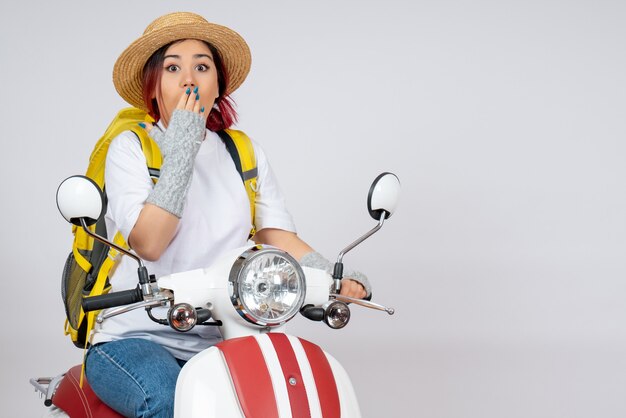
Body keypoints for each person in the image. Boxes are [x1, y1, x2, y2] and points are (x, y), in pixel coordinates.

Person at [84, 11, 371, 418]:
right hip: (136, 337)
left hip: (225, 333)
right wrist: (182, 141)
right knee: (168, 402)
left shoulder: (242, 152)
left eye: (202, 66)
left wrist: (331, 276)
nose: (189, 79)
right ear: (153, 87)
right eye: (172, 67)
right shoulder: (130, 148)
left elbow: (277, 235)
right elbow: (149, 242)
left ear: (219, 85)